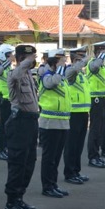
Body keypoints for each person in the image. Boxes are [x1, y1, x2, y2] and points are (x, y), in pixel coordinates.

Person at [3, 44, 40, 209]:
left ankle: (19, 197)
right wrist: (26, 62)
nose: (33, 60)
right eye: (29, 57)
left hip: (31, 122)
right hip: (20, 123)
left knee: (29, 162)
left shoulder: (29, 75)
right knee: (17, 163)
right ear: (19, 59)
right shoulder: (14, 74)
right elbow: (16, 74)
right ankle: (11, 202)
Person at [37, 49, 71, 198]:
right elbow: (50, 84)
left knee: (57, 157)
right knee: (49, 157)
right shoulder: (46, 75)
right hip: (49, 123)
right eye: (62, 61)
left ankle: (53, 184)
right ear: (54, 62)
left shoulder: (61, 77)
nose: (65, 63)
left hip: (62, 122)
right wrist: (61, 69)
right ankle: (47, 186)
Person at [63, 46, 90, 185]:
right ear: (73, 60)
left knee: (79, 145)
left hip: (83, 112)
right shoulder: (70, 71)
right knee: (71, 145)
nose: (83, 62)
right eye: (79, 59)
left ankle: (76, 171)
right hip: (73, 113)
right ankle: (69, 172)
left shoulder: (81, 74)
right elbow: (71, 72)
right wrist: (81, 63)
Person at [85, 42, 105, 168]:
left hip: (103, 99)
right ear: (100, 52)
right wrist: (101, 56)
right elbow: (94, 67)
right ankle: (92, 157)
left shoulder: (104, 66)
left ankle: (97, 155)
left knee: (101, 129)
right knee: (95, 129)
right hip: (95, 99)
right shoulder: (92, 63)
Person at [0, 44, 15, 161]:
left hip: (8, 100)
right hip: (0, 100)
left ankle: (5, 148)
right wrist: (8, 61)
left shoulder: (9, 67)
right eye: (10, 54)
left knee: (7, 126)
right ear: (4, 55)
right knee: (0, 126)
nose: (12, 56)